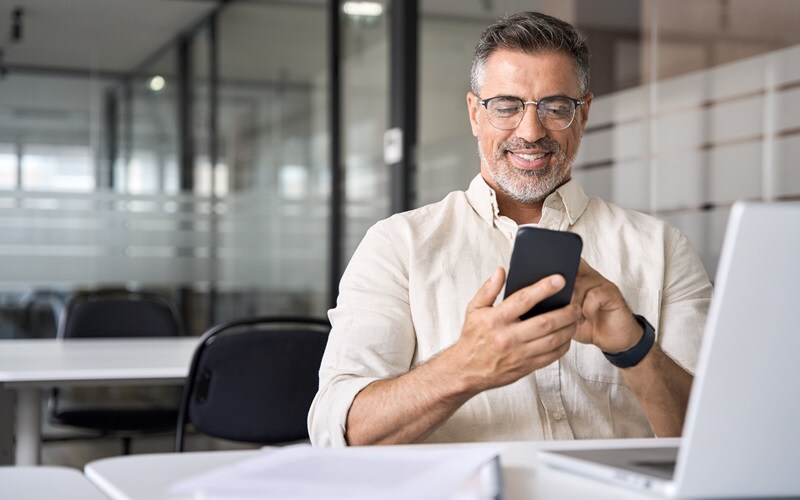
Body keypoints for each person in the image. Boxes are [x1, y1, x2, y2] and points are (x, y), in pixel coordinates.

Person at [308, 11, 712, 447]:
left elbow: (719, 435)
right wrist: (465, 366)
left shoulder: (661, 248)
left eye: (557, 107)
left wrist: (634, 349)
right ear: (474, 114)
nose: (531, 131)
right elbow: (339, 432)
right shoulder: (398, 246)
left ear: (585, 114)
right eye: (506, 107)